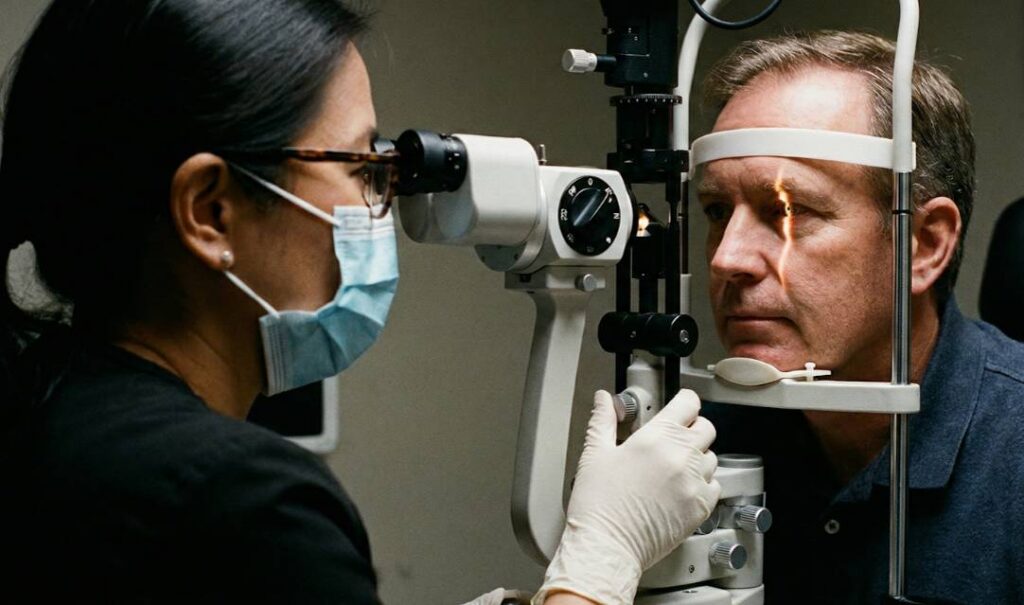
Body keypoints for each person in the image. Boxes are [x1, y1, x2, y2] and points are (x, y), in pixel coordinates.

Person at [0, 1, 721, 603]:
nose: (385, 203)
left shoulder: (45, 413)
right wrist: (598, 563)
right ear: (211, 211)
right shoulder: (241, 501)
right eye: (361, 167)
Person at [695, 30, 1024, 604]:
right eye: (718, 210)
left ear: (923, 244)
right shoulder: (709, 441)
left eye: (788, 211)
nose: (728, 258)